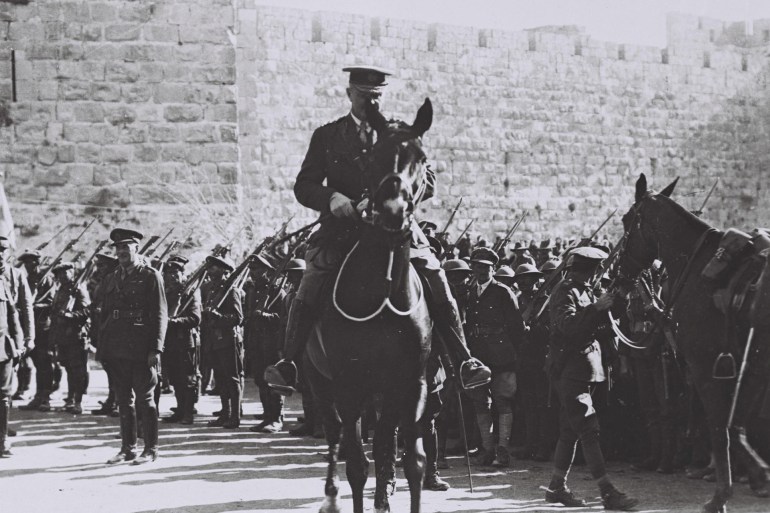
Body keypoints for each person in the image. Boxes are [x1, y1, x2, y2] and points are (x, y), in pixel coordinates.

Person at [265, 66, 489, 392]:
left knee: (435, 274)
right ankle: (290, 362)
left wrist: (392, 198)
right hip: (341, 231)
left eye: (376, 96)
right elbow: (304, 186)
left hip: (395, 229)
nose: (370, 101)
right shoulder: (327, 136)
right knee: (312, 278)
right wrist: (332, 198)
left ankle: (463, 359)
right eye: (363, 95)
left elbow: (428, 182)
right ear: (349, 94)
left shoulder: (398, 134)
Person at [544, 246, 638, 510]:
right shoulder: (565, 291)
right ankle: (607, 492)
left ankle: (557, 487)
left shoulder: (585, 290)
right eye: (596, 270)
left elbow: (606, 321)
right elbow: (569, 326)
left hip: (585, 370)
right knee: (588, 428)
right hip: (570, 370)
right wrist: (595, 308)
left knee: (569, 430)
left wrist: (621, 297)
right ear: (590, 270)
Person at [99, 228, 168, 465]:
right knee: (123, 400)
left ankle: (151, 449)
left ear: (136, 249)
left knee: (145, 400)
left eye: (126, 247)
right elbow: (105, 314)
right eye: (118, 248)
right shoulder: (111, 277)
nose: (121, 252)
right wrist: (103, 348)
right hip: (116, 347)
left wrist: (156, 348)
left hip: (140, 347)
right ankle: (127, 448)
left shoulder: (150, 276)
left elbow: (160, 314)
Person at [464, 247, 525, 467]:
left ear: (493, 269)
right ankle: (487, 448)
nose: (481, 271)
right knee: (480, 402)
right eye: (477, 266)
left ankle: (503, 450)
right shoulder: (471, 293)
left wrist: (513, 354)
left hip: (502, 354)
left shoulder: (503, 292)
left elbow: (517, 327)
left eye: (486, 267)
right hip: (478, 355)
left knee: (502, 400)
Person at [202, 255, 244, 429]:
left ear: (223, 270)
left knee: (232, 378)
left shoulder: (231, 290)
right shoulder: (213, 290)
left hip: (228, 340)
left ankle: (235, 416)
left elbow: (238, 318)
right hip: (214, 341)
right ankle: (225, 413)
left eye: (213, 268)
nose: (209, 271)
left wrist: (218, 316)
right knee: (220, 378)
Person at [161, 255, 201, 425]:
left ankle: (188, 412)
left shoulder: (190, 292)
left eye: (175, 273)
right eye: (168, 273)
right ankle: (180, 409)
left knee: (188, 379)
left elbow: (195, 318)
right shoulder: (166, 293)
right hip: (170, 341)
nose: (172, 276)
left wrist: (173, 321)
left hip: (185, 341)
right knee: (175, 378)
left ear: (182, 274)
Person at [17, 250, 57, 412]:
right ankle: (38, 395)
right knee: (36, 362)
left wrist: (35, 306)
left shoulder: (47, 279)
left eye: (31, 262)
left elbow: (52, 303)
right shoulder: (27, 279)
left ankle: (45, 397)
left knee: (44, 362)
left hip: (43, 327)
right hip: (29, 327)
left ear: (37, 262)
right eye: (26, 262)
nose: (28, 265)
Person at [0, 235, 23, 457]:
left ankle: (2, 440)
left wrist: (19, 343)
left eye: (2, 250)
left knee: (4, 395)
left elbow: (13, 314)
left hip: (2, 347)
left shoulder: (3, 281)